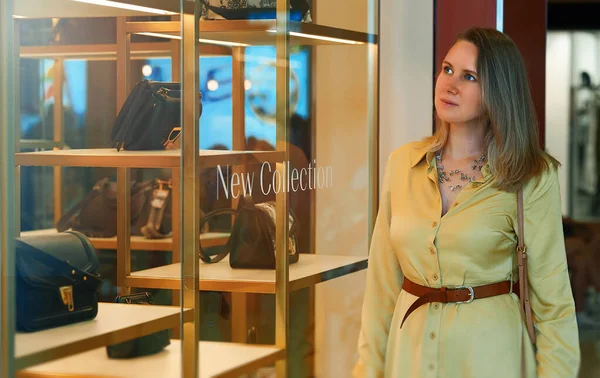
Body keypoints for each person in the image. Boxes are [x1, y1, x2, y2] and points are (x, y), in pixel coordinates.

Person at [353, 27, 580, 378]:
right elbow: (381, 286)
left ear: (498, 92)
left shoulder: (531, 176)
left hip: (491, 358)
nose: (450, 85)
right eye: (447, 69)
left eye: (469, 76)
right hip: (409, 356)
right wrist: (368, 369)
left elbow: (554, 305)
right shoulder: (402, 163)